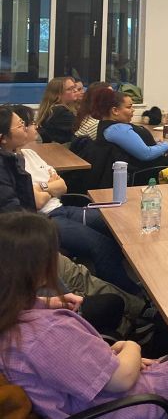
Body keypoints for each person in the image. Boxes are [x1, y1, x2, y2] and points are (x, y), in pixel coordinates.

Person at [0, 212, 168, 418]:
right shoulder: (46, 333)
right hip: (129, 405)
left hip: (98, 393)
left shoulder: (12, 318)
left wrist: (47, 302)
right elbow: (122, 379)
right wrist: (131, 347)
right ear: (36, 269)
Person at [0, 104, 142, 295]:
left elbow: (62, 186)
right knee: (102, 246)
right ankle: (132, 297)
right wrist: (49, 187)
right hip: (45, 220)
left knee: (116, 222)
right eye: (21, 125)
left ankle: (127, 283)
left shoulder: (29, 154)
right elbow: (36, 202)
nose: (29, 127)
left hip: (61, 208)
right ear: (3, 138)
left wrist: (44, 189)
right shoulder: (8, 166)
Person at [92, 89, 168, 168]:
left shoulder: (110, 126)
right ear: (115, 111)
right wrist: (166, 145)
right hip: (147, 171)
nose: (133, 110)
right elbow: (146, 154)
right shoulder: (117, 129)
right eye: (129, 107)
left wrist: (155, 143)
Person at [35, 76, 83, 144]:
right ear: (58, 95)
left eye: (74, 87)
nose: (75, 90)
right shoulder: (60, 112)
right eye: (70, 89)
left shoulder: (52, 109)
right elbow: (82, 130)